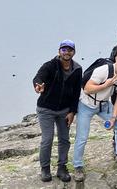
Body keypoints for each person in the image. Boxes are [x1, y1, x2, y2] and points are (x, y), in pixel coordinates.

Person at [73, 46, 117, 182]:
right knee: (82, 136)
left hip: (105, 105)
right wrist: (105, 85)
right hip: (86, 104)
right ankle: (77, 166)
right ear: (116, 58)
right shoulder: (103, 71)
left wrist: (113, 117)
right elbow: (87, 89)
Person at [32, 39, 82, 182]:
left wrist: (72, 111)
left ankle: (62, 167)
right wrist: (38, 85)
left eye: (70, 50)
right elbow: (38, 77)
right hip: (46, 108)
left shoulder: (77, 69)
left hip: (64, 111)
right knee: (47, 139)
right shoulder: (50, 65)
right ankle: (45, 168)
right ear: (59, 51)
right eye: (64, 49)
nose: (67, 52)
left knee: (64, 140)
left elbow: (76, 92)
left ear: (74, 52)